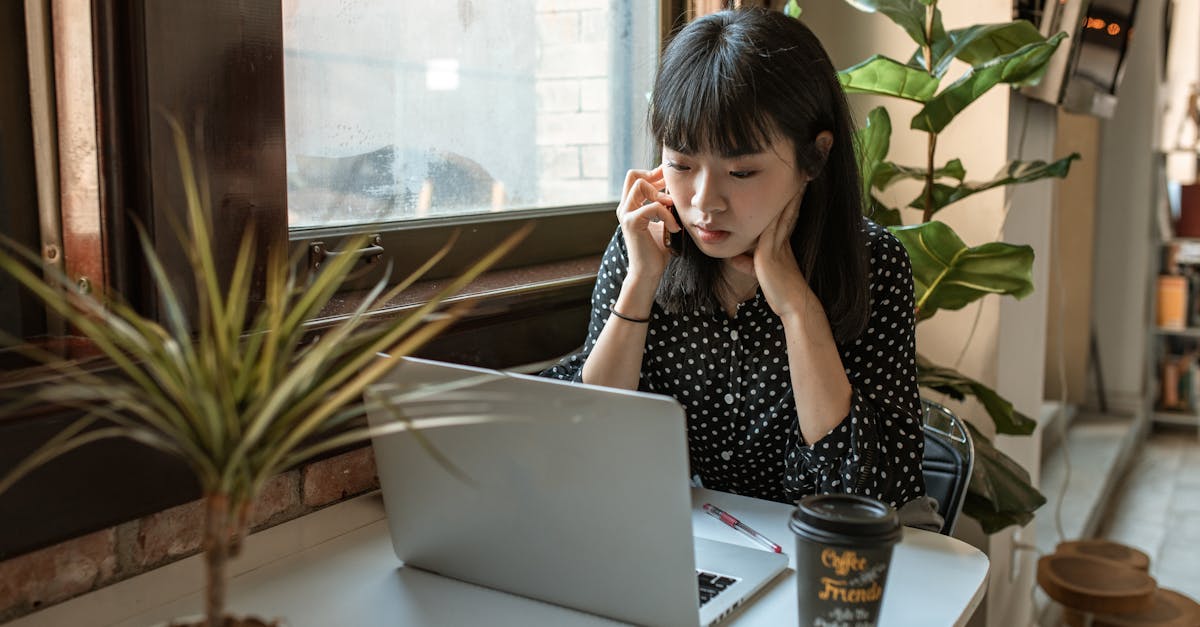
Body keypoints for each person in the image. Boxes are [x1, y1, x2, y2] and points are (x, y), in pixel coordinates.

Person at [541, 8, 924, 509]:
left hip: (831, 545)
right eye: (680, 164)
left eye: (741, 172)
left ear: (815, 157)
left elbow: (863, 494)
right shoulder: (648, 243)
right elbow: (585, 444)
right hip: (706, 540)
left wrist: (796, 307)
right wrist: (639, 283)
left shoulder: (873, 264)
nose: (704, 201)